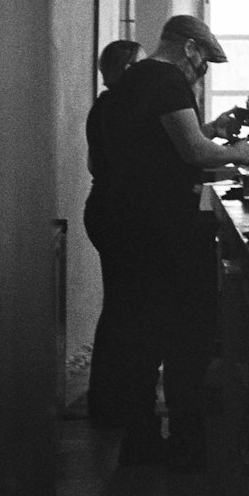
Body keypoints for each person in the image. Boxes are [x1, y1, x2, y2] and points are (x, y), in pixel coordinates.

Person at [93, 14, 249, 472]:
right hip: (164, 228)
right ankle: (187, 442)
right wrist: (241, 154)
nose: (201, 71)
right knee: (188, 332)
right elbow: (194, 152)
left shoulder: (125, 86)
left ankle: (139, 441)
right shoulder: (167, 79)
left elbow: (144, 154)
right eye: (203, 61)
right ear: (189, 49)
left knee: (137, 334)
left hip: (122, 221)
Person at [83, 38, 146, 426]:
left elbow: (95, 164)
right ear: (126, 70)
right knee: (124, 308)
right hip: (115, 212)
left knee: (120, 305)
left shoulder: (104, 106)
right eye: (139, 66)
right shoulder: (120, 107)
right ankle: (110, 403)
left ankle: (108, 399)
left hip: (104, 206)